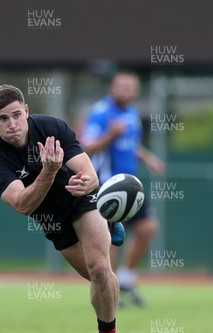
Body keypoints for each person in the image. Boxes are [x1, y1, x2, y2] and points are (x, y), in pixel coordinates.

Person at [0, 84, 122, 333]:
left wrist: (87, 183)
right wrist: (48, 171)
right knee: (101, 279)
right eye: (3, 118)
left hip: (82, 202)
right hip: (51, 220)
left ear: (27, 111)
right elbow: (22, 204)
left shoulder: (52, 127)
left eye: (17, 115)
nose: (12, 124)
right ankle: (111, 222)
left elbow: (91, 175)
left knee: (98, 268)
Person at [81, 71, 164, 306]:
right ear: (111, 88)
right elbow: (88, 147)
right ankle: (110, 287)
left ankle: (126, 280)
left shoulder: (132, 113)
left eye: (130, 87)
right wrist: (110, 134)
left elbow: (130, 145)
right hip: (107, 185)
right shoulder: (100, 113)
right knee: (109, 238)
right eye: (121, 87)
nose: (126, 91)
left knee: (147, 227)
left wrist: (148, 159)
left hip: (130, 185)